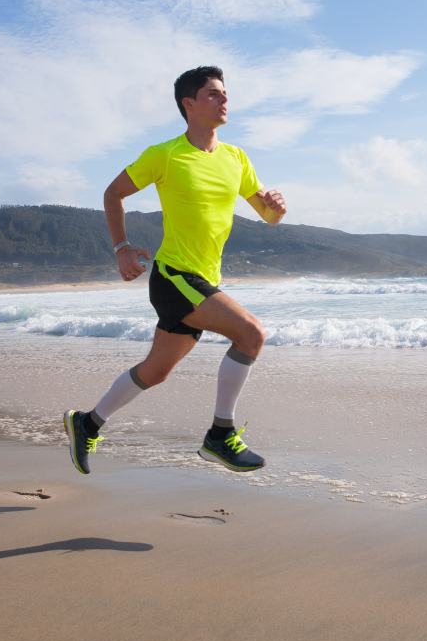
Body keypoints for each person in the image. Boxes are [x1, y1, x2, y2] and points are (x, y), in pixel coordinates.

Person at [64, 65, 287, 475]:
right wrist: (122, 248)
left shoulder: (236, 157)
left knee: (156, 371)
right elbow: (113, 193)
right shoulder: (164, 154)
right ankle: (220, 435)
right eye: (213, 94)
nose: (224, 100)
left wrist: (276, 207)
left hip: (203, 279)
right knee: (251, 333)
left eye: (225, 94)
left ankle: (87, 422)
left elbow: (267, 215)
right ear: (189, 104)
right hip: (174, 277)